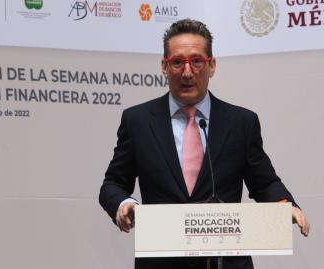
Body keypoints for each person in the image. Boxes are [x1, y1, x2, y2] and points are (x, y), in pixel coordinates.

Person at [99, 18, 310, 269]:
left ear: (212, 66)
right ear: (164, 67)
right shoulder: (138, 121)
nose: (187, 72)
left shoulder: (241, 122)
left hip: (225, 262)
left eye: (197, 61)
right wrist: (125, 205)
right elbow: (112, 184)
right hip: (161, 262)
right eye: (177, 62)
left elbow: (264, 182)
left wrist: (284, 207)